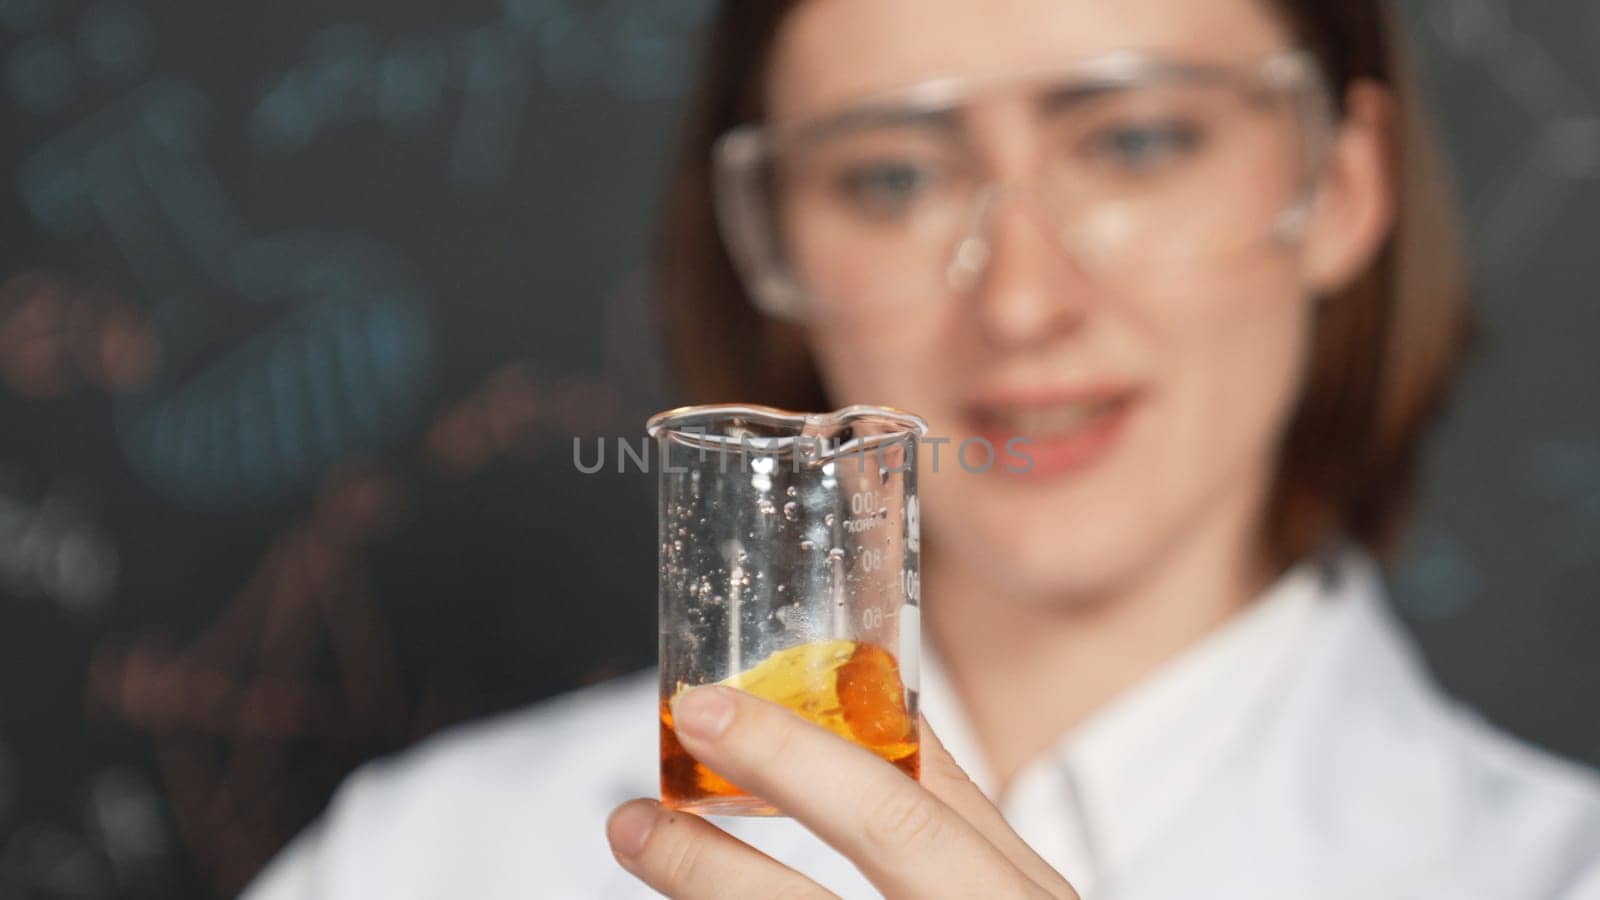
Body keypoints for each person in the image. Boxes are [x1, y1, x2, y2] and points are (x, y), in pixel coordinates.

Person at [242, 0, 1600, 897]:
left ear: (1342, 187)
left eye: (1134, 141)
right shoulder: (432, 860)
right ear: (770, 242)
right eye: (891, 177)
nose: (1019, 299)